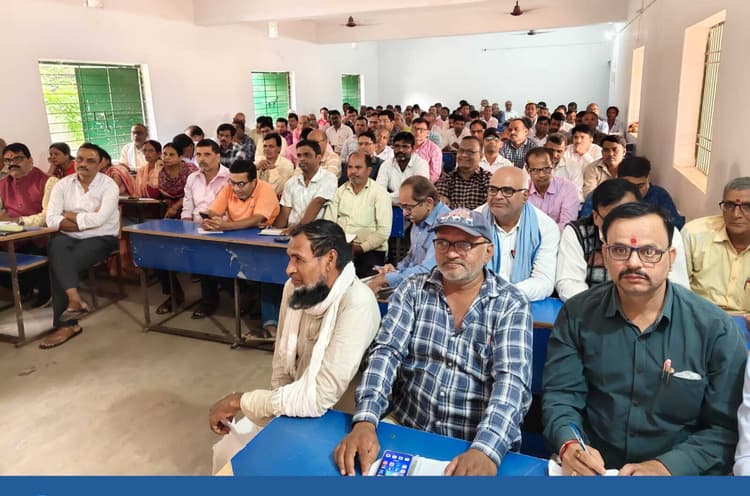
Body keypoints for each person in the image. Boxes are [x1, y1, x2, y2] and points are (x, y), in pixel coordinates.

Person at [543, 202, 746, 476]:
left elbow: (725, 429)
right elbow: (561, 397)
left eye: (649, 252)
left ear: (671, 258)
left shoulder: (715, 329)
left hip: (680, 475)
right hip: (596, 471)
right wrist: (570, 444)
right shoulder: (577, 314)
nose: (634, 263)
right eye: (620, 250)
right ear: (605, 255)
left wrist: (666, 467)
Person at [334, 208, 533, 477]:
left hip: (474, 439)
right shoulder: (412, 290)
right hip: (408, 425)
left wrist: (486, 450)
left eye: (464, 245)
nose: (451, 253)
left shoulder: (511, 304)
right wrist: (366, 420)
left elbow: (512, 383)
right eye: (443, 243)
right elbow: (386, 354)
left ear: (488, 252)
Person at [209, 219, 380, 473]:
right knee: (227, 456)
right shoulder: (294, 289)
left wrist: (241, 401)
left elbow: (319, 397)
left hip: (338, 421)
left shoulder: (357, 303)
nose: (289, 269)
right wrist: (278, 416)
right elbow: (282, 365)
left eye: (298, 259)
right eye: (289, 258)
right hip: (296, 405)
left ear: (330, 260)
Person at [555, 179, 690, 302]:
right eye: (611, 220)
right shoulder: (578, 233)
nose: (622, 226)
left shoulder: (664, 232)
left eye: (629, 215)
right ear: (595, 217)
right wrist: (601, 309)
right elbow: (569, 283)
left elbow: (677, 286)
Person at [42, 143, 120, 349]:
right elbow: (51, 219)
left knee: (61, 264)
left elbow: (100, 220)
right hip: (69, 237)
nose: (83, 164)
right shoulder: (62, 185)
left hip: (102, 237)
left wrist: (69, 215)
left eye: (90, 160)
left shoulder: (109, 186)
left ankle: (67, 325)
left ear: (101, 164)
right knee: (57, 245)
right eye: (80, 159)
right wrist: (82, 222)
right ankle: (74, 299)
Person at [476, 167, 559, 301]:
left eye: (507, 191)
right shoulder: (474, 221)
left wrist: (505, 294)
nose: (498, 196)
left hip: (523, 301)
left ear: (525, 195)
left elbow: (544, 282)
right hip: (478, 298)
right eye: (493, 190)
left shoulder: (545, 227)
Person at [682, 176, 750, 328]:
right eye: (729, 205)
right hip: (697, 318)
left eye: (747, 207)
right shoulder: (694, 234)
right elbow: (674, 286)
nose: (736, 214)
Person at [367, 176, 450, 293]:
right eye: (402, 207)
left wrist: (387, 279)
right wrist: (395, 270)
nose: (404, 213)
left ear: (428, 203)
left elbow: (428, 271)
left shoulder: (445, 226)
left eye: (408, 207)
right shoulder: (419, 217)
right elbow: (411, 258)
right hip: (416, 285)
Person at [0, 142, 59, 306]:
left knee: (37, 251)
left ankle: (44, 289)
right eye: (7, 160)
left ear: (30, 160)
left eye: (18, 158)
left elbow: (48, 216)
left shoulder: (49, 181)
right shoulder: (2, 184)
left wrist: (19, 221)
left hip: (41, 236)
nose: (12, 164)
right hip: (10, 236)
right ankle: (24, 288)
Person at [181, 139, 231, 318]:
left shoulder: (229, 177)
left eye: (207, 154)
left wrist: (215, 224)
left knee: (208, 256)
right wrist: (186, 227)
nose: (202, 159)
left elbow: (231, 210)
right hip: (196, 227)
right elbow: (188, 205)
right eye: (199, 155)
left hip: (222, 228)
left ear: (218, 156)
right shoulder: (192, 178)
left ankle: (218, 298)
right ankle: (207, 298)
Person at [325, 152, 392, 278]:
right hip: (342, 248)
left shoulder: (380, 193)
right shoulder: (340, 191)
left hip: (370, 251)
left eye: (358, 167)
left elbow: (383, 231)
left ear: (369, 170)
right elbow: (329, 223)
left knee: (364, 280)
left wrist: (361, 248)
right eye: (350, 167)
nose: (353, 172)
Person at [579, 156, 685, 229]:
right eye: (629, 185)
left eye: (640, 186)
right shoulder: (600, 195)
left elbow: (676, 226)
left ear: (648, 179)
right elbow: (584, 225)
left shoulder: (659, 195)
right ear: (618, 179)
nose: (635, 191)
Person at [274, 140, 338, 230]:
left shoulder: (329, 178)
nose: (302, 159)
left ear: (318, 158)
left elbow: (318, 202)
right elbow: (285, 213)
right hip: (291, 231)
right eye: (299, 155)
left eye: (307, 155)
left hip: (317, 232)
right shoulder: (291, 182)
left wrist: (298, 229)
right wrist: (271, 230)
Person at [525, 147, 579, 231]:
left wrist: (545, 235)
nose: (542, 175)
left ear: (553, 165)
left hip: (559, 237)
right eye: (535, 170)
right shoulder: (522, 190)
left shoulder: (568, 188)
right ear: (527, 169)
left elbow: (567, 225)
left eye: (546, 169)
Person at [435, 136, 491, 211]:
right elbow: (441, 207)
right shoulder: (446, 179)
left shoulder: (488, 179)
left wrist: (453, 206)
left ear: (481, 156)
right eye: (461, 151)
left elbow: (488, 208)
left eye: (470, 152)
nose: (464, 155)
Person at [375, 132, 429, 205]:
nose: (400, 150)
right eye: (397, 146)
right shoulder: (386, 165)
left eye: (405, 147)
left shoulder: (421, 164)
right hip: (389, 206)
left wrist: (385, 198)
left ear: (413, 148)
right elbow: (379, 191)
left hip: (415, 207)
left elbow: (417, 192)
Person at [158, 142, 197, 219]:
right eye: (165, 154)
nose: (167, 157)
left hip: (189, 208)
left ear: (180, 157)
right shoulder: (160, 170)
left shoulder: (190, 170)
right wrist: (156, 170)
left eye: (171, 155)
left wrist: (175, 207)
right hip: (166, 209)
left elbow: (192, 194)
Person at [256, 132, 294, 196]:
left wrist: (273, 170)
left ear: (279, 148)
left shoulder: (287, 165)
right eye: (265, 146)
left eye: (271, 146)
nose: (267, 149)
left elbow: (278, 189)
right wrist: (256, 168)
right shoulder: (259, 161)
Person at [412, 118, 443, 182]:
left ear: (428, 132)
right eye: (415, 129)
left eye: (421, 130)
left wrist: (423, 185)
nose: (417, 132)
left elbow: (434, 174)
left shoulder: (434, 149)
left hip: (424, 183)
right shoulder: (405, 145)